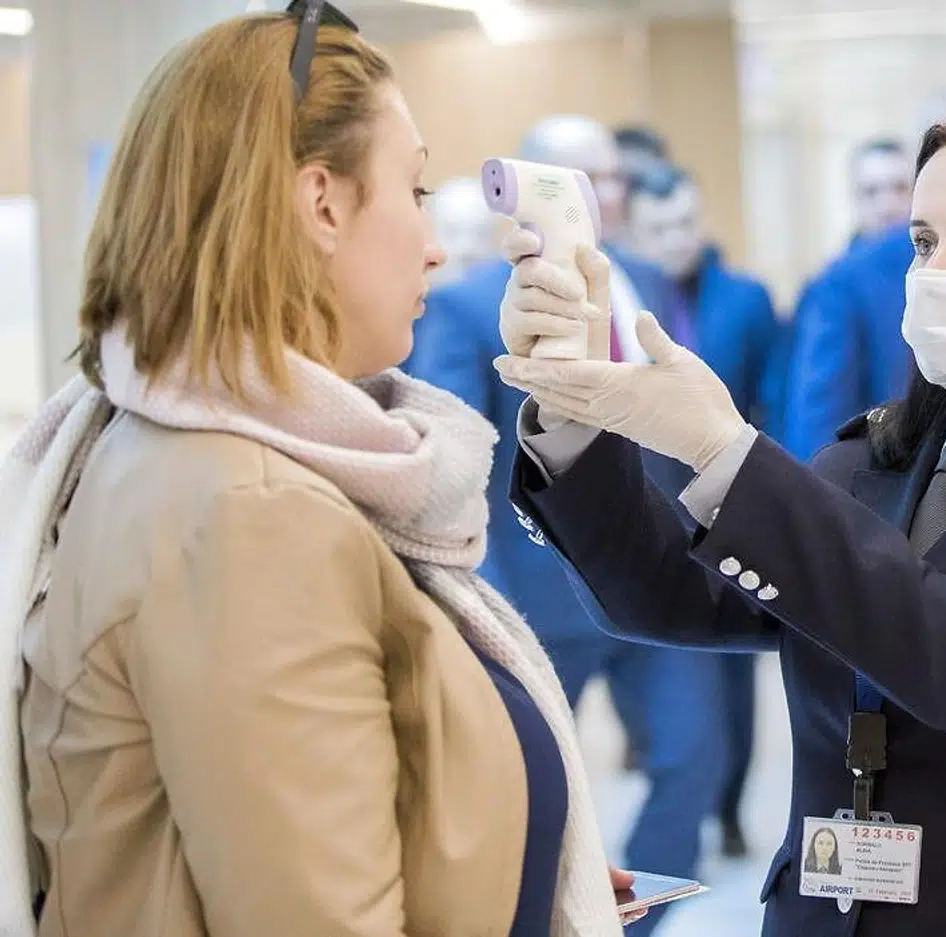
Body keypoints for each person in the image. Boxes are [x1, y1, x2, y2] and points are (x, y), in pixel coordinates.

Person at [493, 99, 946, 937]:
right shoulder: (873, 462)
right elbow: (670, 594)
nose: (936, 270)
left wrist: (726, 452)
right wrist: (574, 415)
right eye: (925, 241)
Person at [0, 6, 639, 936]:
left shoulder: (170, 442)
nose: (432, 243)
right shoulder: (250, 514)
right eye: (414, 192)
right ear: (322, 203)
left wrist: (524, 859)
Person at [403, 115, 719, 937]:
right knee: (536, 789)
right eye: (584, 179)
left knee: (692, 761)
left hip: (664, 584)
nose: (606, 194)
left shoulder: (648, 276)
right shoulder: (470, 305)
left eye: (611, 176)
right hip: (541, 597)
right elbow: (457, 452)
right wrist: (486, 596)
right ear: (533, 191)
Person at [626, 161, 782, 857]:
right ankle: (685, 783)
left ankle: (729, 804)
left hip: (730, 502)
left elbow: (769, 396)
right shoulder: (625, 302)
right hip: (653, 508)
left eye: (685, 222)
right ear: (637, 229)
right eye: (658, 228)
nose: (675, 239)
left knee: (735, 662)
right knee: (672, 656)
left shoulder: (744, 298)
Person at [780, 137, 916, 461]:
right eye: (872, 191)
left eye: (899, 188)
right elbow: (819, 409)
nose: (887, 205)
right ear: (853, 198)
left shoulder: (934, 272)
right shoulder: (836, 284)